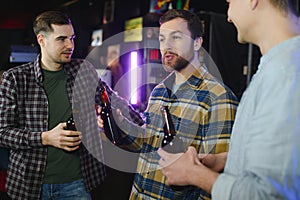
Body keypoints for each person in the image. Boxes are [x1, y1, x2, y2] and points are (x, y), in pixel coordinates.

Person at [158, 0, 300, 199]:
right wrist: (225, 160)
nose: (229, 16)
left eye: (230, 2)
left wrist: (194, 174)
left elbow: (270, 194)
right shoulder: (277, 66)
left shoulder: (287, 72)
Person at [0, 10, 143, 200]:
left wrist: (146, 126)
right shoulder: (15, 79)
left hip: (77, 183)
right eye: (61, 39)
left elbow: (114, 101)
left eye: (72, 38)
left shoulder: (82, 70)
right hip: (30, 183)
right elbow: (2, 132)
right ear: (41, 40)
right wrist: (45, 138)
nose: (70, 45)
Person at [98, 9, 239, 199]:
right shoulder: (159, 90)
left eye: (176, 38)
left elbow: (216, 178)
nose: (167, 46)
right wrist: (120, 125)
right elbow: (148, 141)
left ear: (197, 43)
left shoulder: (219, 98)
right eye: (162, 39)